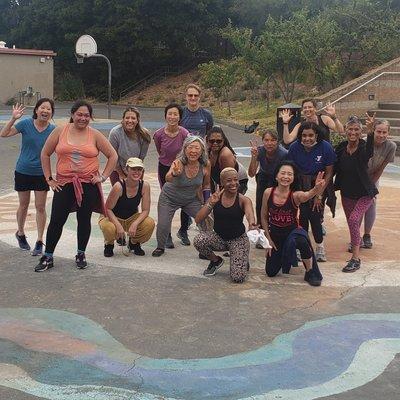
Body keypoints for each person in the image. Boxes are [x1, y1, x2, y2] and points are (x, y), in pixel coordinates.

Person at [35, 100, 117, 272]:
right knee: (57, 220)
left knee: (84, 220)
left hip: (88, 184)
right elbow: (45, 153)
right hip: (64, 183)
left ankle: (80, 253)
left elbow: (113, 155)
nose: (83, 118)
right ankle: (48, 256)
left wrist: (102, 177)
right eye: (79, 114)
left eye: (87, 115)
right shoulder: (60, 131)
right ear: (72, 115)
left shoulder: (94, 134)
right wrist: (49, 178)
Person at [0, 99, 55, 255]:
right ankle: (20, 233)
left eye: (49, 109)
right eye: (42, 108)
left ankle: (39, 240)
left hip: (42, 173)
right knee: (23, 205)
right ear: (36, 110)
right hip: (23, 170)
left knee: (40, 207)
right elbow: (3, 134)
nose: (45, 111)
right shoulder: (25, 124)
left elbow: (62, 148)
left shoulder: (53, 130)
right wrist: (13, 119)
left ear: (51, 113)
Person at [261, 161, 324, 286]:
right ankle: (284, 257)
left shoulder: (295, 195)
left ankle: (310, 271)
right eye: (283, 173)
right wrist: (268, 240)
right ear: (276, 176)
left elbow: (306, 196)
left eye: (290, 174)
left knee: (301, 240)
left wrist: (316, 189)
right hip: (275, 235)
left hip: (293, 233)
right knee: (271, 272)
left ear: (293, 178)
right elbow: (263, 217)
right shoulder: (268, 192)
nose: (286, 177)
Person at [193, 168, 257, 283]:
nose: (233, 183)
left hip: (238, 239)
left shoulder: (243, 200)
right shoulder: (215, 198)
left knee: (238, 277)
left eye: (236, 180)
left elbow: (249, 215)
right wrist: (211, 203)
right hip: (219, 238)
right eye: (229, 180)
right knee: (199, 240)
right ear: (221, 183)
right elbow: (198, 219)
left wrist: (252, 224)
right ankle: (215, 261)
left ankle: (241, 256)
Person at [152, 136, 211, 257]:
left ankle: (205, 247)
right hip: (169, 198)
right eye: (190, 147)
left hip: (190, 199)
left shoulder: (205, 164)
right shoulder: (178, 162)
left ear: (202, 151)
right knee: (163, 225)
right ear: (184, 149)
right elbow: (167, 178)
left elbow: (206, 184)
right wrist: (174, 173)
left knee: (206, 219)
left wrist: (206, 202)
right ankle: (160, 246)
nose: (193, 151)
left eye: (197, 148)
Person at [287, 121, 336, 262]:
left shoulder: (325, 147)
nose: (307, 138)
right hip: (300, 184)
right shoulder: (294, 148)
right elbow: (290, 169)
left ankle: (320, 246)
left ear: (316, 135)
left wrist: (319, 193)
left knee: (315, 215)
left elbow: (329, 172)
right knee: (301, 217)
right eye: (304, 135)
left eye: (310, 135)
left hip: (320, 183)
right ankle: (301, 247)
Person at [334, 116, 377, 273]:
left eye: (356, 129)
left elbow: (369, 153)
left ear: (361, 132)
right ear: (346, 130)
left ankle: (355, 259)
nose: (353, 132)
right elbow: (332, 166)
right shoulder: (341, 148)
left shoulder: (364, 147)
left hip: (365, 194)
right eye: (350, 129)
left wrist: (371, 131)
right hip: (347, 194)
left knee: (353, 220)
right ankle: (355, 244)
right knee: (353, 225)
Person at [99, 157, 155, 257]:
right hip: (113, 217)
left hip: (131, 218)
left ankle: (134, 243)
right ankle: (109, 244)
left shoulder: (145, 186)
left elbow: (146, 210)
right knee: (109, 228)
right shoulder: (118, 186)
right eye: (133, 169)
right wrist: (118, 226)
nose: (136, 172)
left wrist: (135, 224)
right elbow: (108, 209)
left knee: (149, 223)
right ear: (127, 170)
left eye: (139, 169)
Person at [153, 103, 190, 247]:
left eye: (175, 114)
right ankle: (167, 234)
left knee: (186, 198)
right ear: (165, 115)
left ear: (180, 117)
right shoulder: (158, 134)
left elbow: (188, 152)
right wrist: (168, 164)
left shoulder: (185, 134)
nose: (172, 117)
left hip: (182, 168)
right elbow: (160, 150)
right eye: (170, 114)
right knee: (167, 201)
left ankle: (184, 230)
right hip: (164, 168)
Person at [362, 116, 396, 249]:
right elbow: (360, 167)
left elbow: (381, 168)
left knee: (371, 203)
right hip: (359, 177)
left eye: (384, 132)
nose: (381, 135)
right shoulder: (364, 142)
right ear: (374, 131)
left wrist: (371, 188)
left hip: (373, 177)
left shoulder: (391, 146)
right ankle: (355, 237)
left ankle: (367, 235)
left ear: (388, 133)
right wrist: (364, 186)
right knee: (358, 206)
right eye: (378, 131)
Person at [248, 129, 288, 226]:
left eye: (273, 140)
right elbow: (251, 173)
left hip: (278, 179)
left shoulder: (284, 154)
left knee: (277, 204)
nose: (269, 143)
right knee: (260, 204)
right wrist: (254, 157)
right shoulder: (260, 151)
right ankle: (261, 225)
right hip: (263, 177)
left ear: (277, 141)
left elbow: (288, 173)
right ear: (263, 141)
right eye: (266, 140)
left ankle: (277, 224)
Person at [108, 107, 151, 185]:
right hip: (117, 169)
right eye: (127, 118)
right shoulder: (115, 133)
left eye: (133, 118)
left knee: (136, 195)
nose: (130, 121)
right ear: (123, 119)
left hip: (136, 169)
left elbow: (141, 158)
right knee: (119, 195)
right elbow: (113, 157)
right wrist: (121, 175)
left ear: (137, 120)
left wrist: (136, 173)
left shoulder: (144, 135)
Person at [207, 125, 248, 194]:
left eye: (219, 141)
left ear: (223, 141)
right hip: (222, 181)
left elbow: (230, 180)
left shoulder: (225, 155)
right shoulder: (208, 151)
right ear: (207, 141)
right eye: (212, 141)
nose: (215, 143)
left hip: (237, 182)